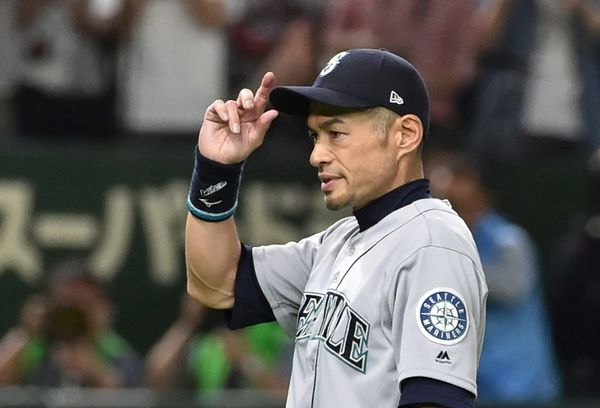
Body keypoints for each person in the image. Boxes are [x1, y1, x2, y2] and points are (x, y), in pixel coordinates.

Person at [184, 48, 488, 407]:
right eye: (316, 136)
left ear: (405, 134)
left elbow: (436, 400)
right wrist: (216, 170)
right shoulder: (339, 241)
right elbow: (217, 284)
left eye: (336, 134)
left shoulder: (433, 244)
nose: (317, 155)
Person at [426, 151, 561, 403]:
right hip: (472, 385)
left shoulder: (509, 241)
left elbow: (512, 288)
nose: (454, 212)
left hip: (520, 388)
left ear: (482, 199)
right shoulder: (433, 242)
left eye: (459, 203)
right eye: (443, 201)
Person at [0, 259, 143, 387]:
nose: (76, 314)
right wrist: (25, 332)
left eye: (85, 305)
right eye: (68, 303)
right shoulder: (37, 346)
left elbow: (125, 396)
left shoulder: (114, 350)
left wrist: (92, 371)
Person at [145, 292, 290, 395]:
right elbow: (157, 380)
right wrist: (187, 323)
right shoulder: (207, 343)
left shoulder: (275, 331)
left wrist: (246, 360)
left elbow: (287, 394)